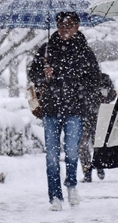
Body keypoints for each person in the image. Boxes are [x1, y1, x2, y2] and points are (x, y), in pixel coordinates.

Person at [27, 12, 101, 211]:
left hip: (74, 109)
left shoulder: (84, 51)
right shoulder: (47, 49)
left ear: (77, 26)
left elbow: (95, 79)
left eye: (69, 25)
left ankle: (71, 185)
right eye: (61, 25)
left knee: (71, 151)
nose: (64, 29)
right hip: (50, 109)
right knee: (51, 156)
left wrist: (76, 83)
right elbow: (32, 73)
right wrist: (44, 75)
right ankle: (54, 196)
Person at [79, 73, 117, 183]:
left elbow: (112, 94)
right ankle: (88, 171)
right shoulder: (80, 78)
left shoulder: (103, 78)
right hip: (85, 115)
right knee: (84, 145)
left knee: (95, 142)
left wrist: (105, 96)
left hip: (97, 115)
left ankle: (98, 165)